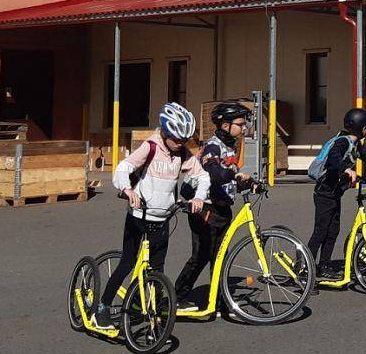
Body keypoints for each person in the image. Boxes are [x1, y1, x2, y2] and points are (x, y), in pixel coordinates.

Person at [98, 103, 207, 321]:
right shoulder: (151, 147)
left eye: (184, 141)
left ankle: (147, 309)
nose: (180, 144)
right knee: (127, 263)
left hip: (162, 219)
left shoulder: (182, 154)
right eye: (176, 139)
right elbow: (124, 168)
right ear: (165, 132)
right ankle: (102, 306)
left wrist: (198, 197)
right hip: (139, 216)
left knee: (157, 269)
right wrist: (127, 190)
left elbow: (202, 176)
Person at [174, 99, 254, 306]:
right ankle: (176, 297)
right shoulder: (213, 146)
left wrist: (248, 183)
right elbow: (212, 172)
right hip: (205, 209)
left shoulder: (230, 147)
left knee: (221, 256)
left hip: (222, 208)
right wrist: (230, 174)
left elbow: (228, 178)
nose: (243, 127)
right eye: (239, 124)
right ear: (225, 125)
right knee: (201, 256)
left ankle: (220, 298)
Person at [307, 108, 366, 276]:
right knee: (321, 231)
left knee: (333, 230)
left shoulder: (355, 143)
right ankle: (305, 268)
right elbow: (333, 161)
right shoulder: (342, 142)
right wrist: (346, 171)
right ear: (363, 128)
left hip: (334, 193)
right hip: (324, 193)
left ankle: (325, 265)